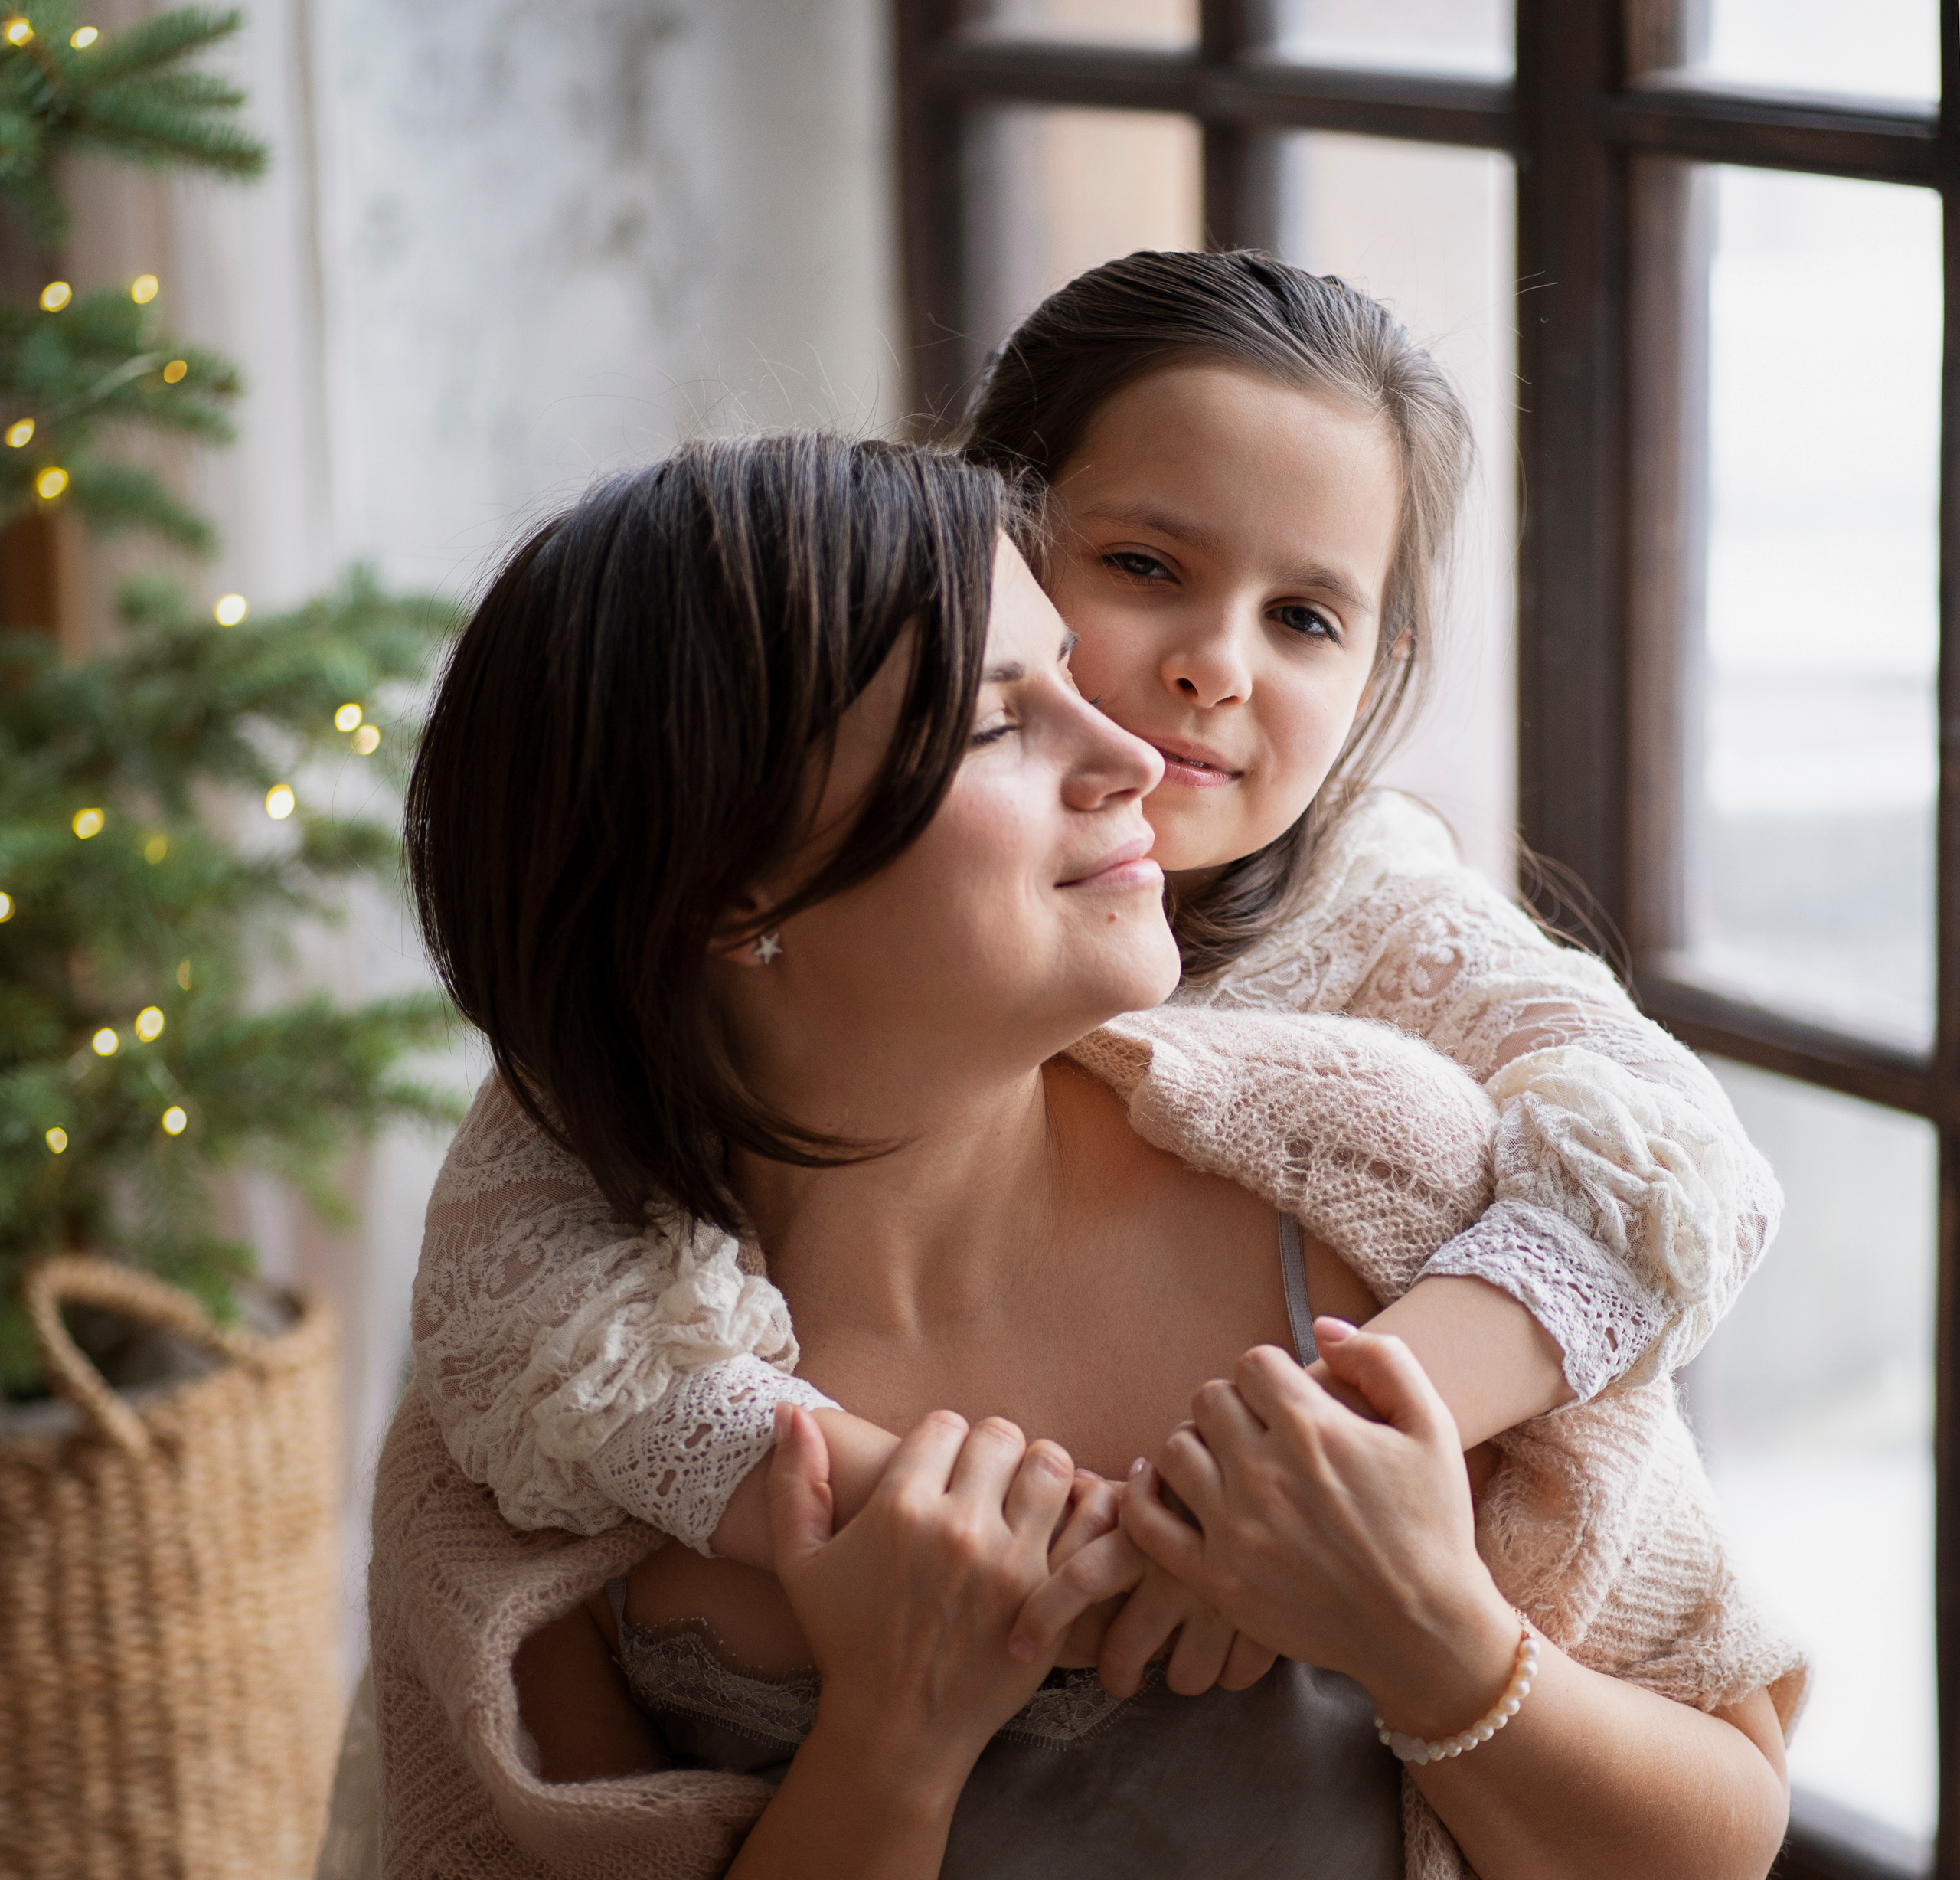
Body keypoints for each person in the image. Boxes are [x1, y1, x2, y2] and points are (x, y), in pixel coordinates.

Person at [374, 431, 1799, 1880]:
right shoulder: (539, 1452)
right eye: (1000, 723)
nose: (1131, 756)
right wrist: (891, 1741)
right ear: (732, 880)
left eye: (1069, 671)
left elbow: (1726, 1839)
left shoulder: (1383, 1193)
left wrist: (1437, 1639)